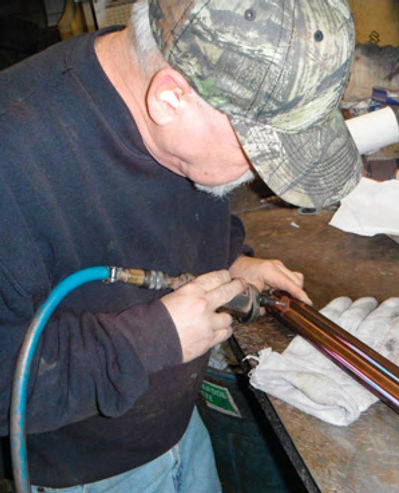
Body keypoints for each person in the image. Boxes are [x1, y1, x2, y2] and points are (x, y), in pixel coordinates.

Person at [0, 0, 362, 491]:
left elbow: (193, 201)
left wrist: (232, 258)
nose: (259, 176)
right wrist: (154, 339)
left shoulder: (178, 98)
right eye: (257, 153)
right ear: (170, 99)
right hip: (91, 474)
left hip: (179, 432)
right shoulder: (14, 156)